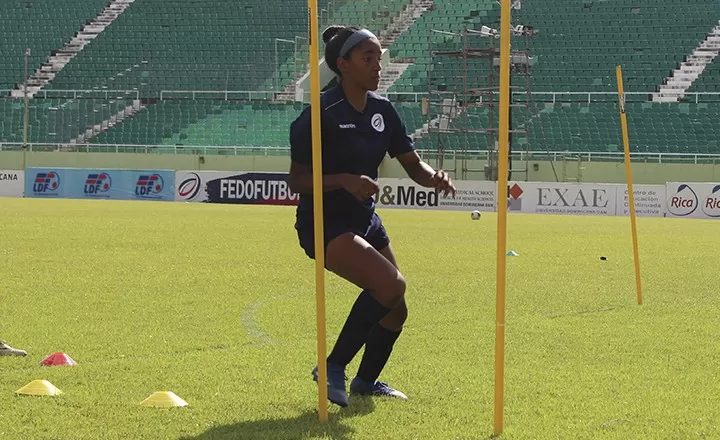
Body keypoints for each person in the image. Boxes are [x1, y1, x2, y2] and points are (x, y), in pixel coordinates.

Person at [287, 24, 456, 408]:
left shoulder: (384, 110)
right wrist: (346, 180)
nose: (378, 66)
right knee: (391, 285)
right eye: (368, 58)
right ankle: (332, 366)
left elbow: (412, 164)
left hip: (365, 218)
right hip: (324, 222)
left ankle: (366, 381)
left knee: (397, 309)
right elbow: (297, 180)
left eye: (380, 58)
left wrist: (434, 178)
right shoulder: (319, 115)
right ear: (343, 64)